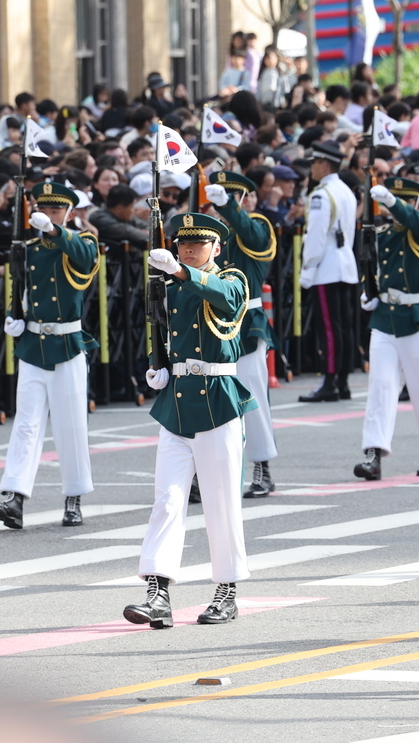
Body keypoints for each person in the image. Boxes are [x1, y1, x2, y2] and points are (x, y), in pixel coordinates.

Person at [123, 213, 253, 629]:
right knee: (168, 499)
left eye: (198, 245)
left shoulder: (232, 278)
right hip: (176, 403)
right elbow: (160, 332)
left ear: (216, 248)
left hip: (218, 404)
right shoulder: (170, 285)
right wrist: (155, 365)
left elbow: (228, 302)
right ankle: (158, 592)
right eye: (183, 245)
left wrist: (180, 272)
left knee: (221, 504)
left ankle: (227, 591)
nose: (188, 251)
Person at [0, 182, 99, 529]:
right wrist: (13, 314)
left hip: (66, 345)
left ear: (68, 212)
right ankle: (15, 499)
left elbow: (84, 257)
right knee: (26, 424)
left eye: (55, 210)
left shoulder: (82, 241)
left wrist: (54, 230)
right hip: (33, 345)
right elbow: (19, 285)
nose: (47, 216)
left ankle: (74, 497)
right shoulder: (28, 247)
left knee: (71, 425)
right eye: (43, 210)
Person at [355, 175, 419, 481]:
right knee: (380, 386)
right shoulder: (383, 230)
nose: (394, 208)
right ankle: (373, 452)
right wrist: (371, 292)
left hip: (417, 316)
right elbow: (376, 267)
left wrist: (395, 203)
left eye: (404, 202)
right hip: (384, 317)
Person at [205, 171, 281, 498]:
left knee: (252, 397)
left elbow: (253, 236)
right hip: (210, 325)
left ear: (246, 200)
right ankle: (203, 471)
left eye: (234, 198)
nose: (223, 207)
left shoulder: (256, 227)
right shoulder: (206, 235)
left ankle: (262, 465)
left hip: (247, 323)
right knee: (207, 397)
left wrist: (228, 208)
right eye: (219, 200)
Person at [297, 140, 360, 403]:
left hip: (326, 266)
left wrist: (307, 269)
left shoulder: (322, 195)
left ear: (324, 164)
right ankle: (342, 381)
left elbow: (315, 237)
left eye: (313, 163)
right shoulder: (345, 189)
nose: (311, 168)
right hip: (345, 263)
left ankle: (330, 381)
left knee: (329, 330)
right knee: (342, 327)